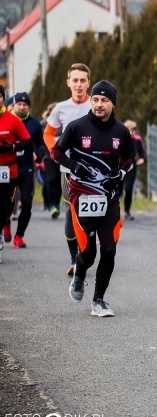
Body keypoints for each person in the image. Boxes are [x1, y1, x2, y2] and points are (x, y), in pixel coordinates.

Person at [53, 80, 134, 317]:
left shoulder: (121, 131)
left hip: (109, 197)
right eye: (96, 99)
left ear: (113, 104)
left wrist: (119, 173)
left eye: (105, 100)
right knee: (88, 253)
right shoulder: (77, 127)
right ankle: (79, 273)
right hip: (82, 198)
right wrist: (73, 165)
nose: (99, 104)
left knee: (109, 249)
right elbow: (56, 152)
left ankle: (99, 300)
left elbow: (129, 158)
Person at [43, 63, 92, 276]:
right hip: (68, 170)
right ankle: (75, 258)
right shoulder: (61, 108)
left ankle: (88, 249)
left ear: (88, 82)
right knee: (71, 212)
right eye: (75, 80)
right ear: (68, 83)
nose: (79, 84)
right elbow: (48, 134)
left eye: (83, 80)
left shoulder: (97, 104)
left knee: (92, 213)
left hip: (95, 169)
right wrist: (57, 153)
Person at [5, 93, 46, 248]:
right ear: (14, 105)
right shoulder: (6, 121)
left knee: (27, 202)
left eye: (25, 105)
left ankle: (19, 236)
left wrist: (40, 154)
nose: (22, 107)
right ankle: (6, 224)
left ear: (29, 106)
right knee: (6, 201)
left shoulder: (34, 124)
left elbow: (40, 144)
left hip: (26, 167)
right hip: (7, 168)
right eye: (19, 104)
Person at [0, 85, 33, 263]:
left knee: (8, 205)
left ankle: (13, 231)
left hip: (11, 170)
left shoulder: (12, 121)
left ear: (3, 99)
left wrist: (10, 147)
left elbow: (29, 144)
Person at [122, 120, 147, 220]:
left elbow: (142, 152)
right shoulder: (120, 138)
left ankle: (127, 211)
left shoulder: (137, 140)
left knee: (128, 189)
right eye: (129, 130)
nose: (132, 132)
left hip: (131, 166)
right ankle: (112, 211)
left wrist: (143, 159)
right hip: (118, 165)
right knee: (117, 190)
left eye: (133, 130)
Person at [39, 102, 58, 212]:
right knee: (50, 180)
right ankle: (52, 205)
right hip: (48, 156)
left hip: (62, 158)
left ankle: (56, 203)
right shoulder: (43, 124)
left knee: (59, 183)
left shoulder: (65, 123)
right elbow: (39, 142)